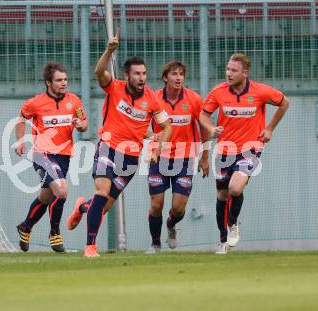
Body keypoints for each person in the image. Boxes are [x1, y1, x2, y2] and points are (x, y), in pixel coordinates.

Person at [66, 30, 172, 257]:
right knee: (102, 190)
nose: (142, 78)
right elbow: (99, 71)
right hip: (108, 146)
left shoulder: (152, 98)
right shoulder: (115, 87)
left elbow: (167, 127)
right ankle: (90, 247)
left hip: (131, 158)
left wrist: (156, 147)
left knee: (101, 206)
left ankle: (83, 207)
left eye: (144, 73)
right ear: (127, 75)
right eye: (137, 74)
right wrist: (110, 50)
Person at [199, 53, 289, 254]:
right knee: (222, 196)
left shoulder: (260, 91)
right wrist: (212, 129)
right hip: (224, 150)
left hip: (251, 147)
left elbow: (284, 102)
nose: (229, 73)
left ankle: (233, 223)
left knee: (235, 188)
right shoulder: (219, 92)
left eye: (234, 70)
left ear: (245, 72)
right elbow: (203, 115)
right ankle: (223, 240)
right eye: (227, 69)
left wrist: (270, 128)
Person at [15, 62, 87, 253]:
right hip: (42, 155)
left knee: (46, 197)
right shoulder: (35, 103)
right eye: (59, 80)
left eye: (65, 79)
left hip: (64, 155)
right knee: (62, 191)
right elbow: (21, 118)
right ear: (48, 83)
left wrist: (81, 125)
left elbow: (84, 123)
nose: (64, 83)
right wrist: (20, 141)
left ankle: (25, 226)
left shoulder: (74, 101)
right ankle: (54, 234)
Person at [144, 61, 210, 253]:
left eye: (181, 74)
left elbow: (204, 127)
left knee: (179, 208)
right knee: (156, 205)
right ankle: (155, 244)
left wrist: (205, 157)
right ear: (165, 77)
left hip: (185, 158)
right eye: (174, 74)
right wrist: (151, 136)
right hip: (159, 157)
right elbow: (140, 126)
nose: (179, 77)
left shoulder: (194, 99)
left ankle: (171, 225)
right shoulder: (154, 99)